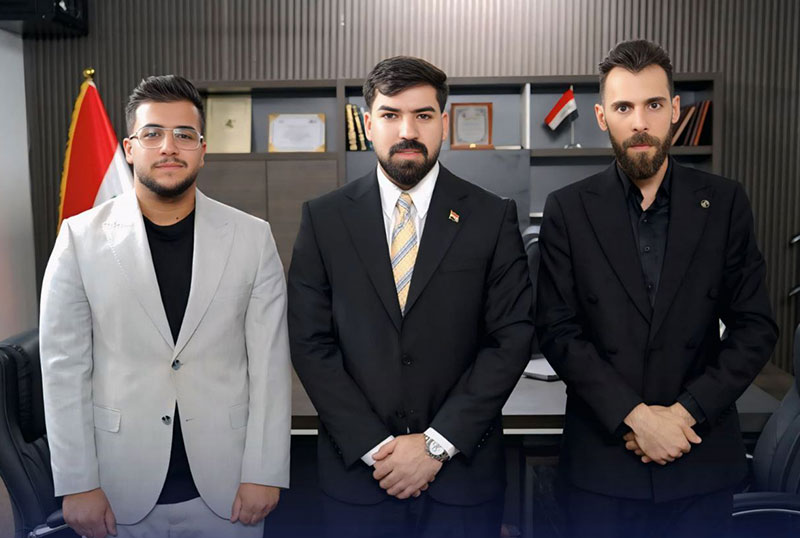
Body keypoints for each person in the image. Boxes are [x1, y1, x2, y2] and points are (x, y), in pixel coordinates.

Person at [536, 39, 779, 538]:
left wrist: (684, 414)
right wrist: (637, 418)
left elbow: (754, 328)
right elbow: (558, 331)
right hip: (603, 463)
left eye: (652, 105)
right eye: (624, 107)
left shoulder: (725, 203)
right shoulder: (567, 209)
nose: (639, 122)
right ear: (602, 117)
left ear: (674, 110)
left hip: (699, 454)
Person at [288, 56, 534, 537]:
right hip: (359, 478)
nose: (408, 131)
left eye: (423, 115)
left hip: (462, 480)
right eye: (390, 115)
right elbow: (310, 342)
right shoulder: (324, 219)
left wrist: (436, 445)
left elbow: (511, 338)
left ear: (444, 123)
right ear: (368, 124)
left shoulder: (491, 216)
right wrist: (377, 448)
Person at [39, 75, 291, 538]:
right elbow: (63, 369)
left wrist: (265, 470)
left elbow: (270, 366)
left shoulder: (252, 238)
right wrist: (77, 483)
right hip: (116, 488)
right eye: (152, 133)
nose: (168, 147)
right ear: (129, 148)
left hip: (230, 487)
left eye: (184, 135)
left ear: (203, 149)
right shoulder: (79, 238)